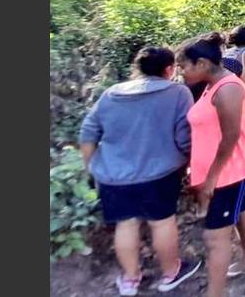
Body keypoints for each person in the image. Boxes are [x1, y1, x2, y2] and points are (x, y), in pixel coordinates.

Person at [79, 47, 200, 296]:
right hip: (160, 174)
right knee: (162, 222)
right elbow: (185, 138)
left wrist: (92, 168)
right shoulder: (178, 93)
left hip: (113, 176)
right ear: (169, 69)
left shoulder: (112, 94)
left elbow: (88, 133)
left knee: (126, 224)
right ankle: (170, 273)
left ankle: (131, 279)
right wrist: (189, 164)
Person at [176, 33, 245, 297]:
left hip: (231, 173)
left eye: (185, 66)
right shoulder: (210, 85)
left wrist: (210, 180)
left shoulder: (227, 88)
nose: (181, 73)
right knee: (242, 211)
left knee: (214, 238)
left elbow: (230, 138)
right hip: (225, 172)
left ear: (203, 63)